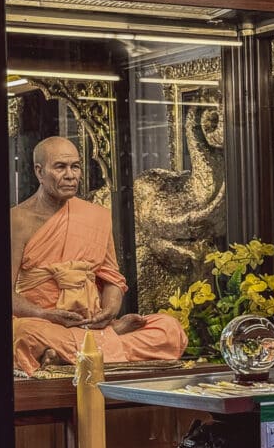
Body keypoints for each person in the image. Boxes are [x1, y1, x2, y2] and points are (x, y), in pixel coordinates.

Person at [11, 136, 187, 375]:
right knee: (23, 334)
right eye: (60, 167)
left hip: (90, 324)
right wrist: (45, 314)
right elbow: (4, 295)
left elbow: (111, 278)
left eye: (76, 166)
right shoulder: (17, 221)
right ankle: (102, 345)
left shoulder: (96, 216)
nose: (71, 175)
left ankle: (71, 354)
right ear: (39, 171)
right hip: (45, 323)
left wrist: (110, 312)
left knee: (169, 329)